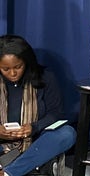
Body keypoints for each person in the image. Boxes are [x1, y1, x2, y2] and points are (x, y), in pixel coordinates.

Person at [0, 35, 76, 176]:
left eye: (18, 67)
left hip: (36, 140)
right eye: (5, 69)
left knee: (67, 133)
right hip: (2, 142)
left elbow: (56, 114)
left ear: (26, 62)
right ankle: (32, 166)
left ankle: (9, 172)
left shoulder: (45, 77)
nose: (13, 73)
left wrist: (33, 127)